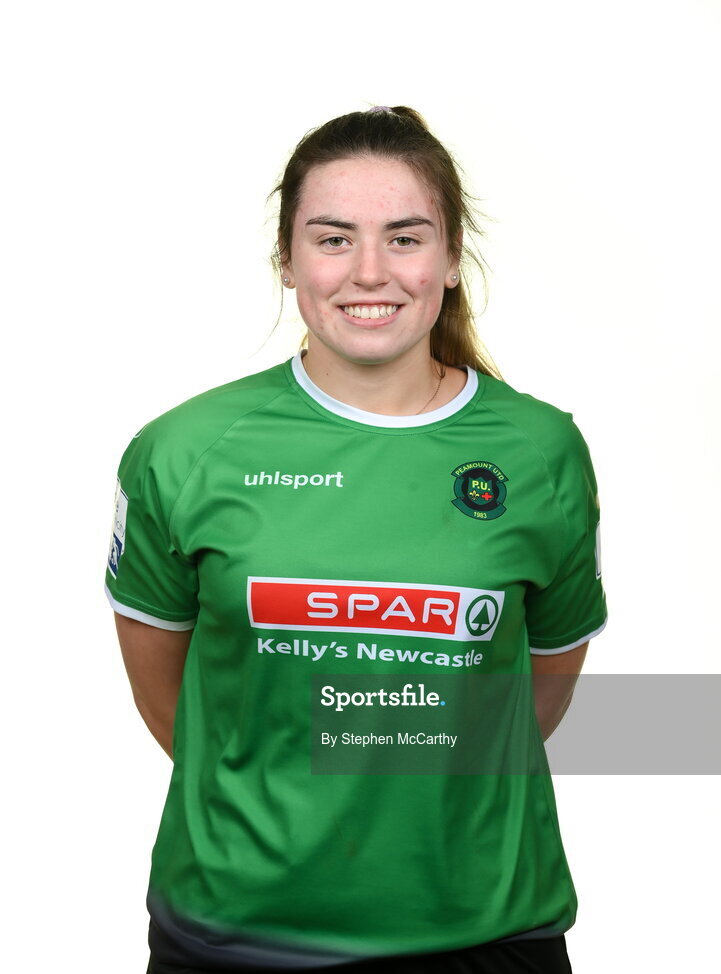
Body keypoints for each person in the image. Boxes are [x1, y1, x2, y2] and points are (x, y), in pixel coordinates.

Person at [105, 106, 607, 974]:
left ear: (451, 260)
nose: (369, 271)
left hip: (485, 934)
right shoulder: (183, 452)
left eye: (405, 238)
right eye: (333, 239)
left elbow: (536, 697)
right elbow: (175, 707)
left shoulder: (540, 452)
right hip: (237, 936)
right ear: (287, 260)